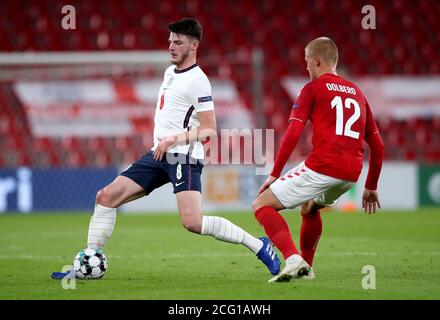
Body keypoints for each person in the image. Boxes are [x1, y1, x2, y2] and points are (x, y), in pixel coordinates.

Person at [52, 18, 280, 279]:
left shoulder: (198, 81)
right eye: (170, 40)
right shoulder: (170, 72)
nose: (171, 46)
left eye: (178, 42)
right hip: (159, 154)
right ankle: (87, 264)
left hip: (183, 156)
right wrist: (165, 143)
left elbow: (209, 129)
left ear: (193, 46)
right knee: (105, 197)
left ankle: (259, 245)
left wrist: (175, 140)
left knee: (192, 222)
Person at [252, 37, 384, 283]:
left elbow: (293, 132)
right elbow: (377, 145)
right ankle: (307, 268)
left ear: (316, 61)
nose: (306, 68)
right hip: (350, 174)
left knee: (261, 205)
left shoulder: (312, 89)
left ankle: (292, 259)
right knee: (310, 207)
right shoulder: (358, 92)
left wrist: (274, 173)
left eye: (306, 62)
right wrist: (371, 186)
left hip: (323, 166)